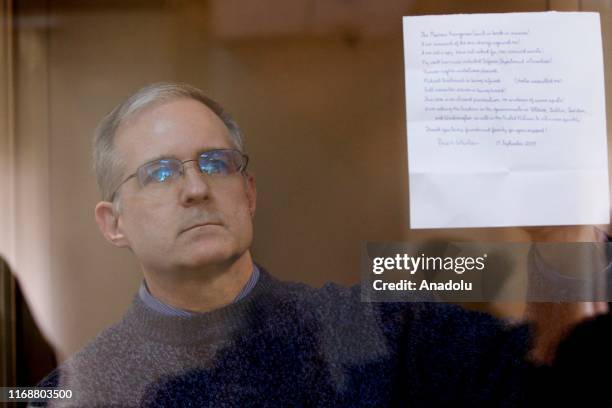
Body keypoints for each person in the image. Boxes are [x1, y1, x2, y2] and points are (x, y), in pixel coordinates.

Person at [35, 82, 609, 407]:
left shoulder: (374, 328)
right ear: (113, 223)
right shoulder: (72, 393)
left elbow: (548, 380)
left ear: (250, 194)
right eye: (160, 172)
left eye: (217, 163)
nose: (195, 187)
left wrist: (560, 244)